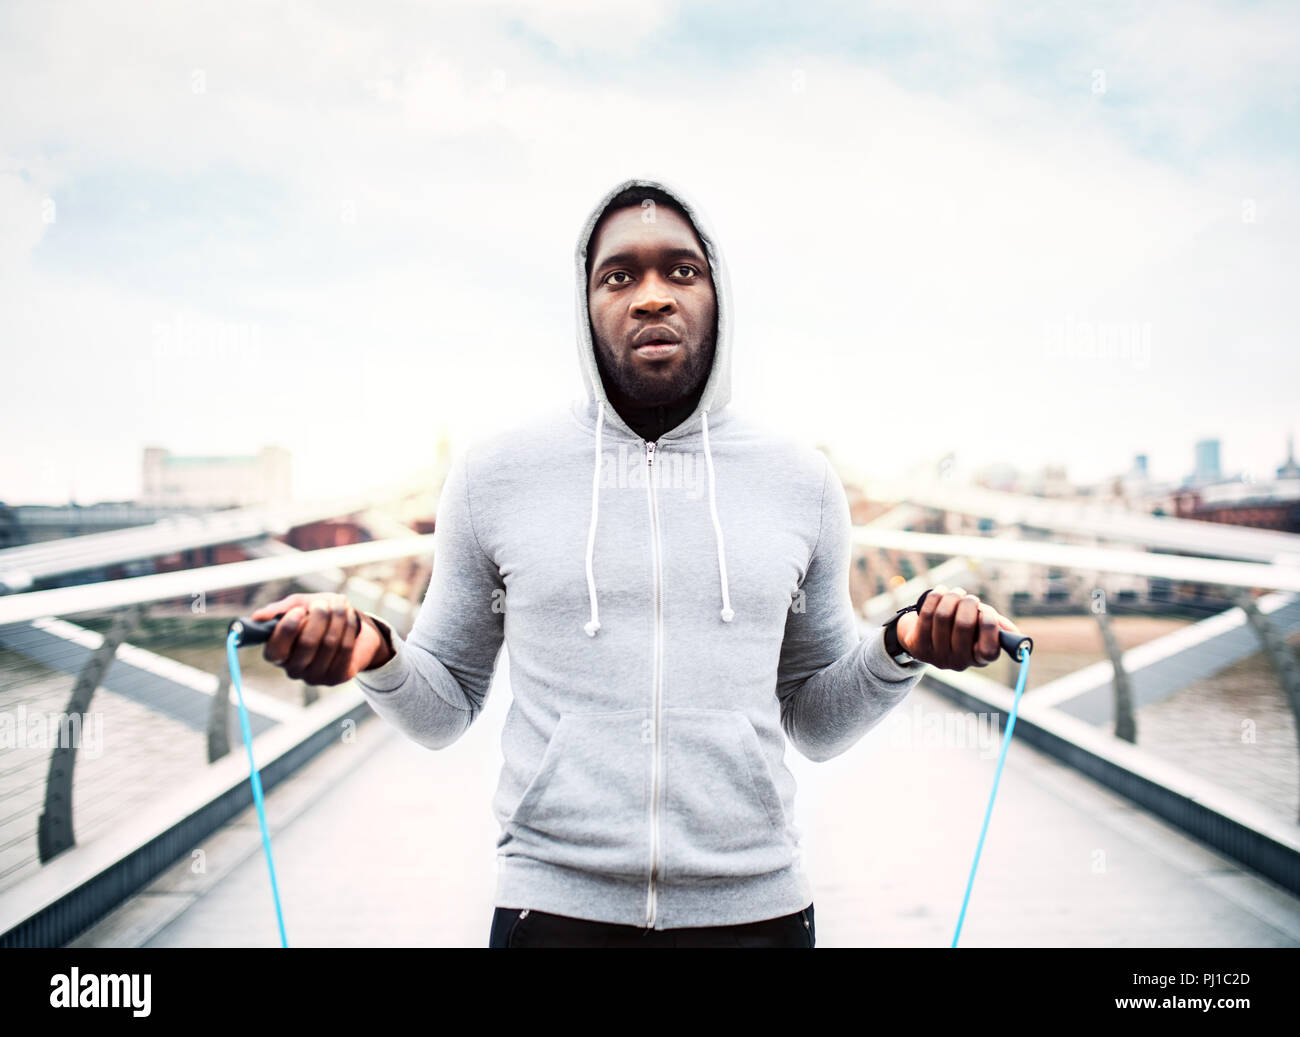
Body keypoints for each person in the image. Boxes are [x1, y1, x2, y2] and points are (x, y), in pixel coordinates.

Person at [251, 177, 1020, 948]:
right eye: (618, 275)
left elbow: (815, 720)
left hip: (759, 913)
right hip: (550, 913)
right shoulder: (495, 476)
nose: (652, 296)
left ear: (718, 295)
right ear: (585, 309)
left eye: (681, 270)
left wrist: (903, 647)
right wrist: (373, 653)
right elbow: (445, 706)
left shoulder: (802, 483)